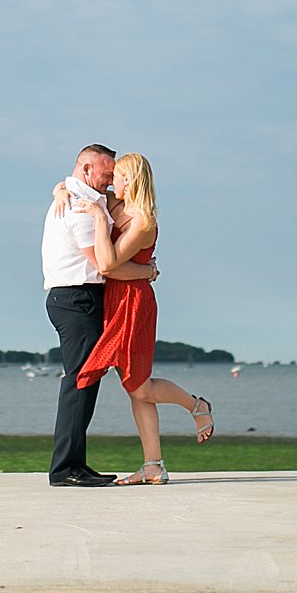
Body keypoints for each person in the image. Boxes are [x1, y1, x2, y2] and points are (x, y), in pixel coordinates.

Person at [69, 153, 213, 485]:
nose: (109, 181)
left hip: (134, 304)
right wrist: (59, 191)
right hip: (115, 300)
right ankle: (153, 466)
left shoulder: (143, 222)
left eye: (115, 175)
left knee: (139, 384)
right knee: (136, 389)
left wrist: (96, 217)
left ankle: (196, 405)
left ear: (129, 180)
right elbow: (74, 184)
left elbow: (107, 264)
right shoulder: (114, 203)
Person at [41, 144, 157, 487]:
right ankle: (65, 469)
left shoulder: (82, 196)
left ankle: (74, 463)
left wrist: (59, 186)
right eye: (106, 176)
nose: (109, 183)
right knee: (79, 380)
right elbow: (107, 267)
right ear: (87, 170)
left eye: (113, 177)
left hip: (79, 298)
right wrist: (147, 273)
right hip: (77, 298)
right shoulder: (80, 210)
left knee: (85, 380)